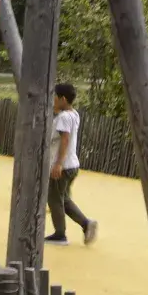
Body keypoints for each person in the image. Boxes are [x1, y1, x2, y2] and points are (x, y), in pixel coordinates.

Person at [46, 82, 99, 246]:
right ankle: (86, 224)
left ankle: (60, 234)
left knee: (54, 198)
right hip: (72, 164)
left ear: (62, 99)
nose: (53, 100)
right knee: (64, 199)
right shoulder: (73, 114)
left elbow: (65, 139)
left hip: (64, 165)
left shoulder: (63, 117)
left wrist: (58, 164)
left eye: (55, 97)